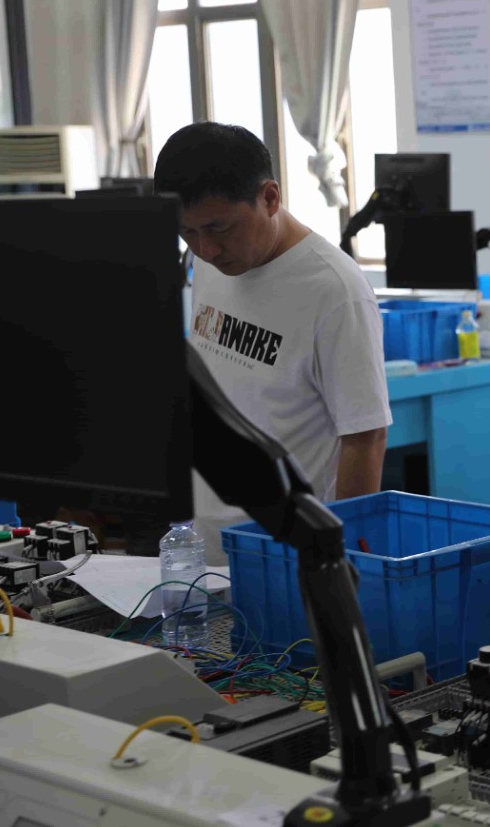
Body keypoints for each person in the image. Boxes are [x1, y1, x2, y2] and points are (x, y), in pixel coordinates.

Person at [155, 123, 390, 562]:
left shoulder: (335, 290)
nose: (206, 249)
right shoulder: (210, 261)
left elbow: (365, 438)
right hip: (204, 544)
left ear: (269, 198)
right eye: (188, 233)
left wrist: (341, 565)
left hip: (286, 555)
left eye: (219, 228)